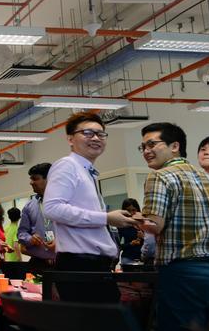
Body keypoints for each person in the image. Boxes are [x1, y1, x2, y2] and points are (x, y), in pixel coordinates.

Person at [43, 113, 138, 303]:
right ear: (70, 139)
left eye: (101, 134)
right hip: (80, 264)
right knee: (100, 321)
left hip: (93, 265)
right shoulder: (67, 165)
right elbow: (52, 208)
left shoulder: (87, 172)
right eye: (87, 133)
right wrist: (106, 218)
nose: (95, 138)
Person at [138, 122, 209, 331]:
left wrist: (129, 219)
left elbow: (154, 225)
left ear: (175, 146)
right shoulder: (205, 177)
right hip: (207, 269)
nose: (147, 151)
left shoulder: (159, 176)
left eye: (152, 144)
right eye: (143, 147)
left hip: (180, 271)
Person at [17, 163, 56, 273]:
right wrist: (30, 239)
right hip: (38, 263)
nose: (31, 182)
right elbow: (21, 233)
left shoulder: (65, 202)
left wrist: (62, 241)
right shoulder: (29, 206)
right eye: (31, 179)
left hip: (63, 262)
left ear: (48, 179)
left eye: (35, 179)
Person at [118, 198, 144, 266]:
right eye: (128, 210)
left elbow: (152, 243)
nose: (131, 213)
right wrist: (130, 244)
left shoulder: (144, 223)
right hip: (128, 258)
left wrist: (143, 237)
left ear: (137, 210)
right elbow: (118, 246)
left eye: (133, 210)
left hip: (144, 258)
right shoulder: (121, 225)